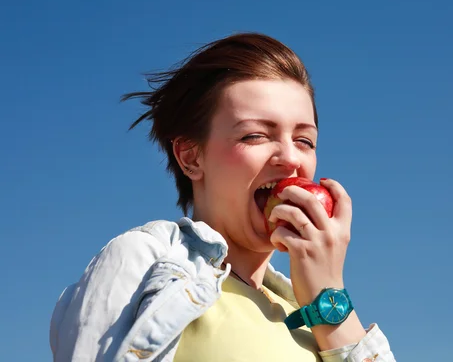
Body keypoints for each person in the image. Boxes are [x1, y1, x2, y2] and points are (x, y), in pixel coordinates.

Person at [49, 33, 396, 361]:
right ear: (191, 157)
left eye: (304, 140)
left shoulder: (306, 313)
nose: (291, 158)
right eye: (256, 136)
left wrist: (327, 294)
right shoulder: (145, 259)